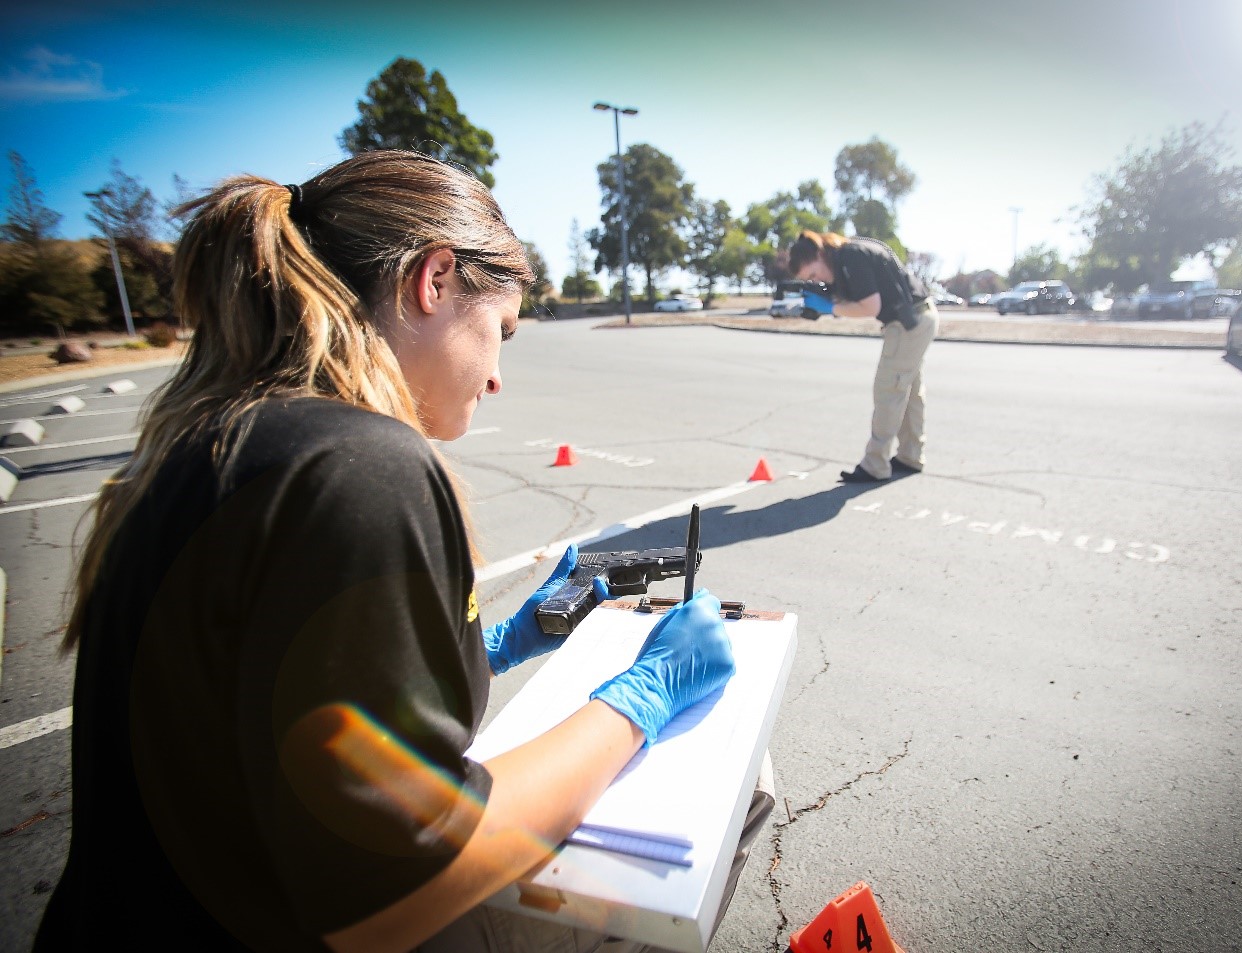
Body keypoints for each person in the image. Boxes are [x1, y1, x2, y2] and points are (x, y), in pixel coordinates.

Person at [34, 150, 771, 953]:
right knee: (745, 784)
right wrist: (644, 697)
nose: (496, 378)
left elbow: (298, 702)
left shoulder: (216, 445)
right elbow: (400, 887)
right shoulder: (362, 465)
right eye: (503, 331)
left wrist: (499, 640)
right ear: (436, 279)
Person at [787, 230, 938, 482]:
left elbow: (870, 306)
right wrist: (828, 301)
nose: (817, 279)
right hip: (918, 319)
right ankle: (910, 456)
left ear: (820, 254)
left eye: (814, 274)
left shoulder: (851, 256)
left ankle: (875, 464)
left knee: (888, 391)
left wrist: (830, 308)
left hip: (907, 325)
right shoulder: (849, 255)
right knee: (909, 391)